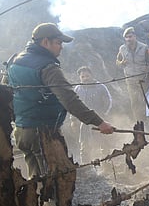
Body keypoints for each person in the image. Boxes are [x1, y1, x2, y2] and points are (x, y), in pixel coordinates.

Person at [7, 22, 115, 179]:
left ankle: (40, 203)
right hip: (42, 134)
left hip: (22, 132)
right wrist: (99, 122)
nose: (61, 47)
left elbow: (7, 94)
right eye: (58, 43)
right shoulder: (48, 67)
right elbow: (70, 100)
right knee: (52, 183)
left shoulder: (15, 61)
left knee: (36, 180)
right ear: (45, 42)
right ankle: (51, 204)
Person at [71, 66, 112, 163]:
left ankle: (106, 164)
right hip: (84, 122)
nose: (85, 78)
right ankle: (87, 165)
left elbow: (108, 101)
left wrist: (104, 114)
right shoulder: (78, 88)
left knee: (103, 143)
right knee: (84, 145)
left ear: (92, 75)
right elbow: (73, 105)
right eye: (83, 77)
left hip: (100, 120)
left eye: (87, 76)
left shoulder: (101, 87)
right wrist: (73, 120)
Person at [116, 26, 149, 122]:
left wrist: (147, 72)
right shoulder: (122, 49)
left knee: (145, 100)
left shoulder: (144, 47)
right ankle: (138, 121)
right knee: (135, 102)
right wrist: (121, 63)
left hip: (143, 79)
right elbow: (117, 62)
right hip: (130, 80)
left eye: (130, 36)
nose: (128, 39)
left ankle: (147, 120)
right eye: (126, 37)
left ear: (135, 36)